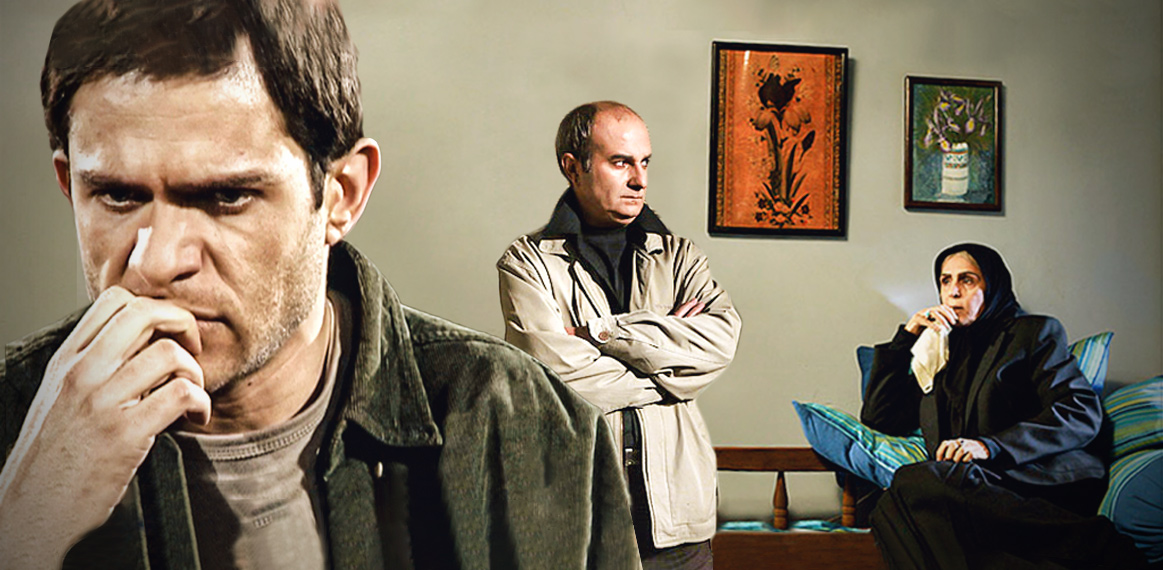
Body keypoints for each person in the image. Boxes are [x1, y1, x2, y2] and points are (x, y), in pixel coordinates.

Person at [0, 2, 640, 568]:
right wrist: (25, 527)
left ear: (341, 195)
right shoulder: (11, 421)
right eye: (115, 195)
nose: (157, 261)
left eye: (226, 196)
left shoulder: (524, 425)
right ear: (68, 184)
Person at [497, 101, 742, 569]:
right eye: (620, 162)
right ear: (573, 167)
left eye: (645, 162)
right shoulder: (526, 264)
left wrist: (602, 334)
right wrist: (670, 372)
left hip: (679, 527)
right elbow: (554, 380)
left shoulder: (681, 257)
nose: (639, 180)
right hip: (576, 528)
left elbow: (719, 345)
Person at [860, 243, 1146, 569]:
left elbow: (1079, 412)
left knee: (913, 482)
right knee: (887, 508)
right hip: (961, 486)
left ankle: (1091, 540)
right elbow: (879, 418)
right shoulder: (937, 350)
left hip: (1031, 476)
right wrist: (906, 338)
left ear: (992, 286)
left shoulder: (1032, 332)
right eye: (945, 281)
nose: (953, 292)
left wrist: (988, 447)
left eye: (967, 280)